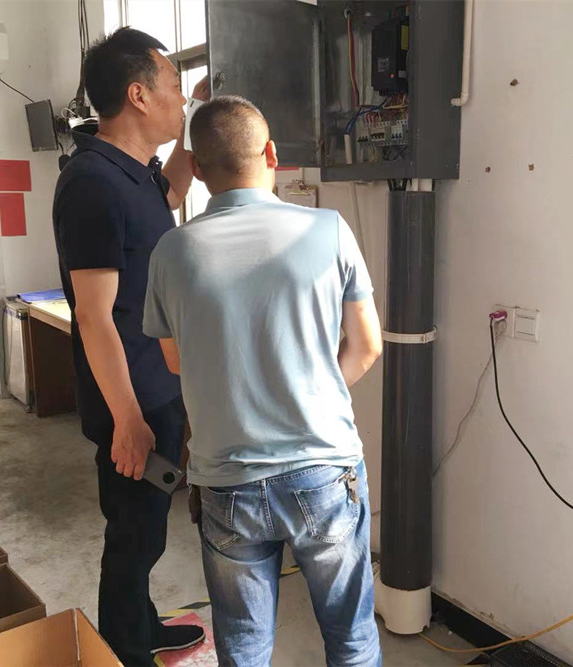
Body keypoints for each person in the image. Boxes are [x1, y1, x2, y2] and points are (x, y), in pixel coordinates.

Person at [143, 95, 384, 667]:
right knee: (351, 638)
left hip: (228, 480)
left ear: (196, 167)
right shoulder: (328, 229)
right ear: (272, 153)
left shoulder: (171, 251)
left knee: (245, 647)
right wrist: (309, 391)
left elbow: (176, 361)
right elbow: (367, 345)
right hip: (323, 468)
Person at [52, 27, 208, 666]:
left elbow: (171, 194)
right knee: (134, 537)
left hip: (156, 384)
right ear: (138, 95)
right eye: (173, 86)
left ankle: (141, 628)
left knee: (145, 531)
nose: (179, 96)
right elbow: (93, 316)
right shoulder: (92, 182)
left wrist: (199, 117)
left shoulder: (134, 173)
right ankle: (125, 651)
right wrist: (127, 419)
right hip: (132, 399)